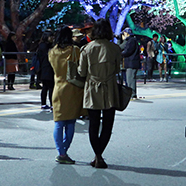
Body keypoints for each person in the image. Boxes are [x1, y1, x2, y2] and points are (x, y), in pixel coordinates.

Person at [78, 19, 122, 169]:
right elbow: (117, 69)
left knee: (94, 124)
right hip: (109, 88)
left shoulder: (87, 48)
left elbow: (82, 72)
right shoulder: (115, 48)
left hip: (92, 87)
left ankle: (98, 156)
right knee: (108, 124)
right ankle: (99, 156)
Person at [49, 26, 84, 164]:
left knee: (58, 122)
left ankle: (61, 152)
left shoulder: (52, 52)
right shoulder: (74, 50)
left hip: (58, 88)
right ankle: (64, 150)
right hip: (73, 88)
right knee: (71, 122)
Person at [120, 28, 140, 99]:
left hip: (131, 63)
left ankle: (132, 94)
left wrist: (120, 54)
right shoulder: (132, 40)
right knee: (130, 79)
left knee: (130, 79)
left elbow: (127, 51)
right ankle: (131, 94)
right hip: (131, 62)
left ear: (127, 33)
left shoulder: (131, 41)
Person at [37, 32, 55, 110]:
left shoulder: (41, 46)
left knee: (45, 87)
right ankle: (52, 104)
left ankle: (43, 104)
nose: (52, 38)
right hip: (47, 68)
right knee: (50, 87)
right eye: (51, 36)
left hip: (43, 69)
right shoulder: (45, 47)